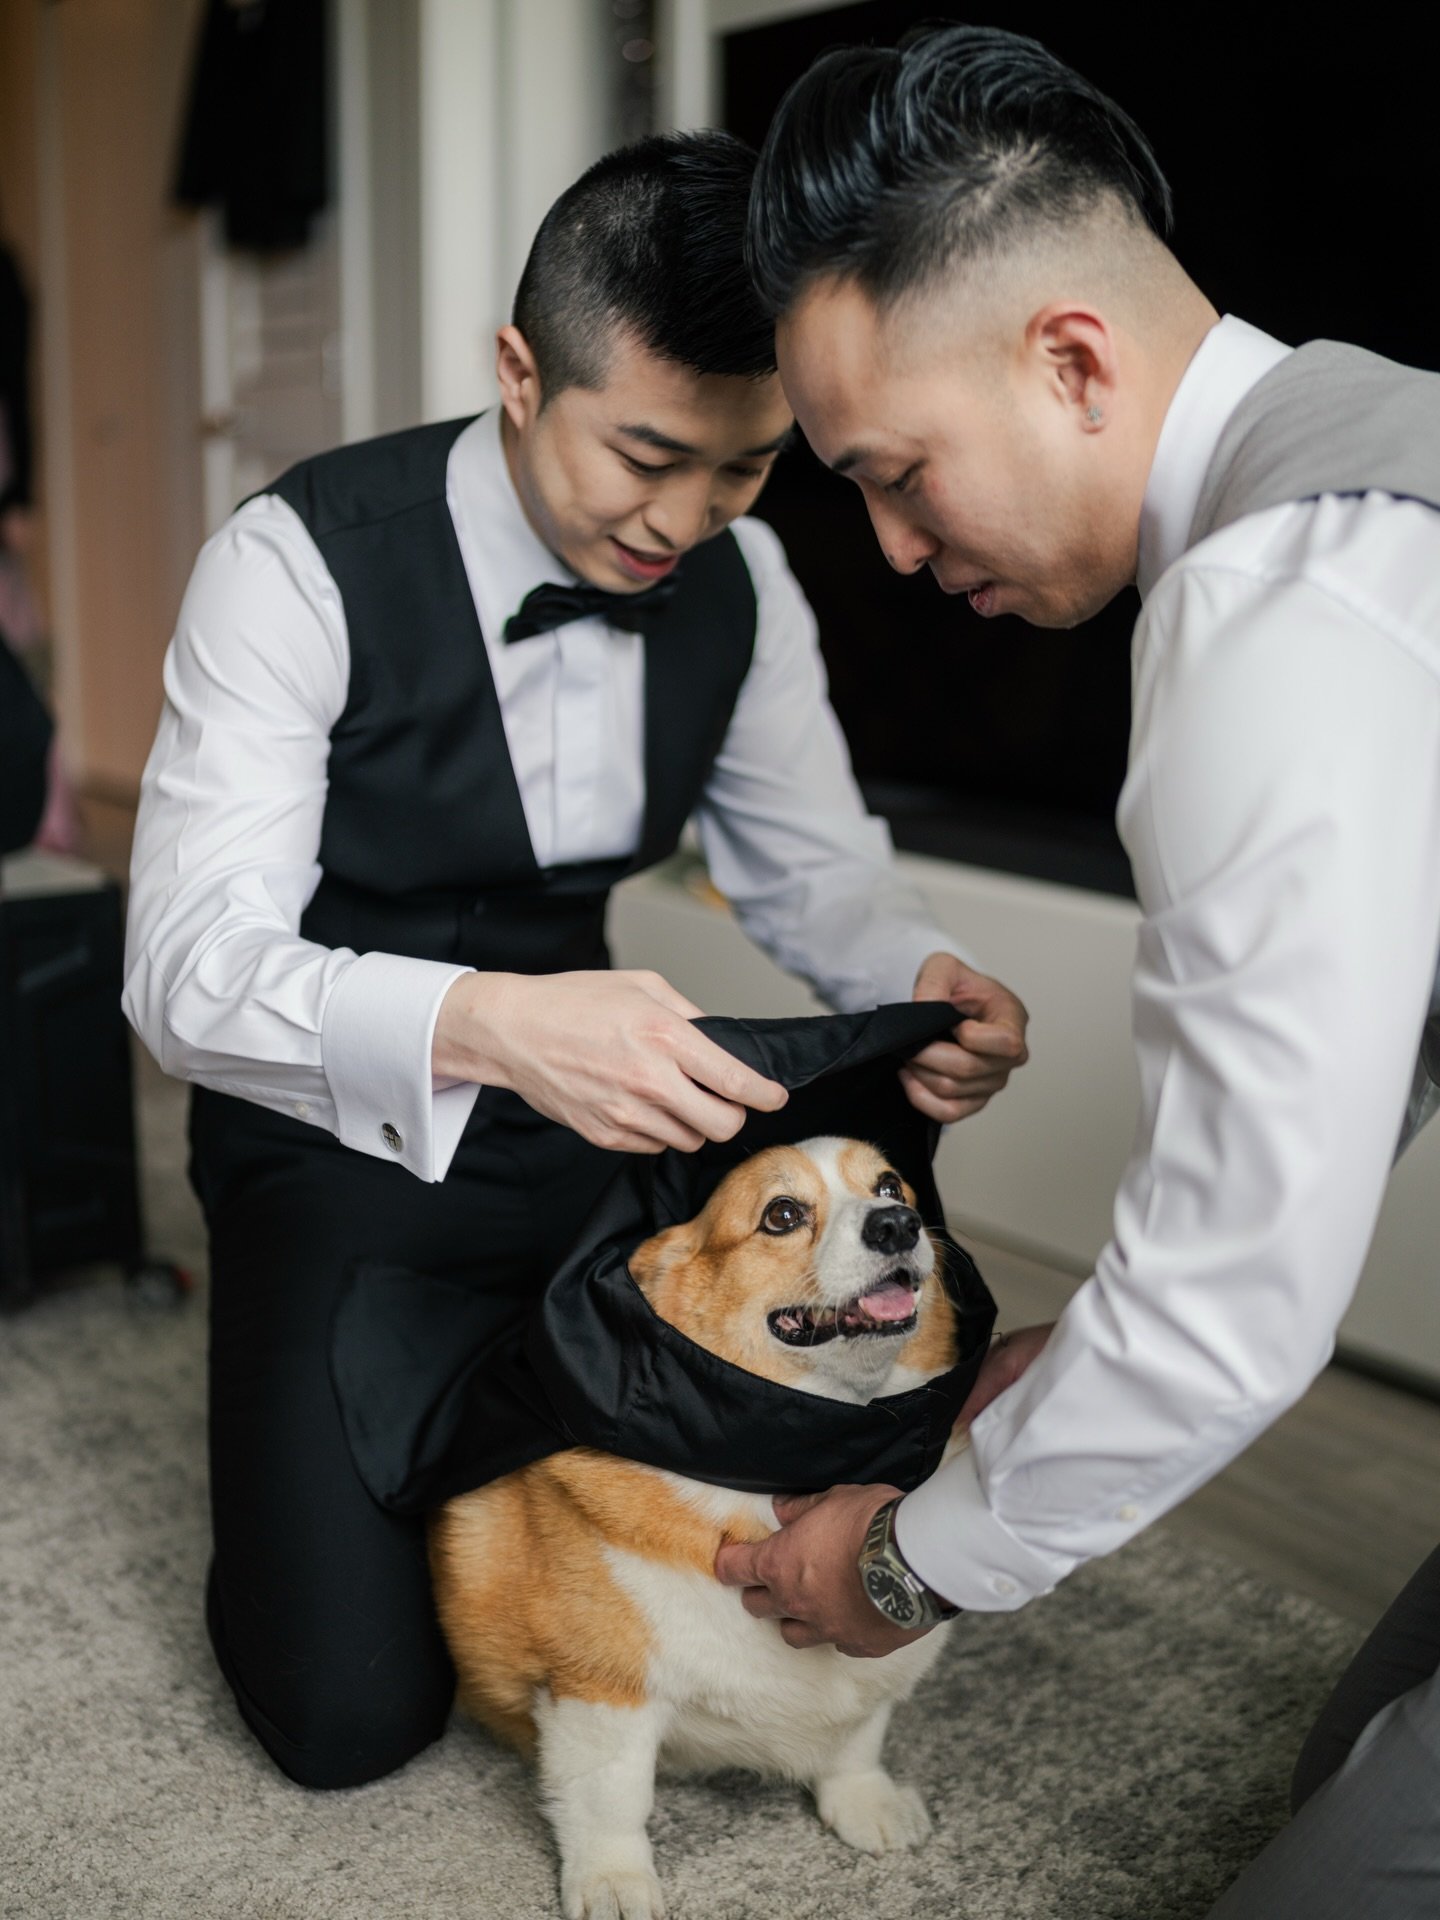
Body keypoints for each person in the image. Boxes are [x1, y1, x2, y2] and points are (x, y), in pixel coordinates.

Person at [123, 130, 1029, 1792]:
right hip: (332, 1131)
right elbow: (185, 972)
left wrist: (927, 972)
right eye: (648, 455)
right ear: (521, 372)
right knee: (342, 1719)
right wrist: (484, 1025)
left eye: (747, 467)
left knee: (807, 1448)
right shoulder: (294, 561)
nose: (688, 522)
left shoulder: (744, 579)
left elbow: (814, 871)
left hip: (614, 1128)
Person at [717, 25, 1440, 1917]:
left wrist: (902, 1569)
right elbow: (1357, 1056)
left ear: (1070, 358)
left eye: (898, 474)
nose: (881, 546)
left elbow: (1233, 1306)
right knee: (1334, 1774)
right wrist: (1076, 1359)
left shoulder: (1276, 623)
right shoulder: (1383, 437)